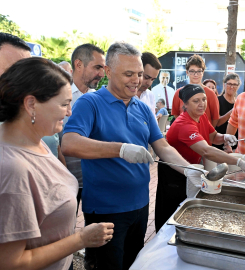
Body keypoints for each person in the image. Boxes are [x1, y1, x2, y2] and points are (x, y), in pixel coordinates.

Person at [61, 42, 204, 270]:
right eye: (128, 74)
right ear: (108, 71)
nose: (136, 80)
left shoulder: (142, 107)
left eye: (138, 74)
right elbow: (69, 143)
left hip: (139, 206)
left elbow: (163, 147)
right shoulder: (91, 103)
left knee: (133, 264)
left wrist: (189, 169)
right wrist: (120, 149)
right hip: (106, 210)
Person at [0, 57, 114, 270]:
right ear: (31, 104)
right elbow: (11, 262)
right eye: (64, 104)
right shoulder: (12, 168)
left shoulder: (37, 141)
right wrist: (81, 239)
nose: (69, 112)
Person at [155, 84, 245, 232]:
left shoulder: (201, 116)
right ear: (185, 104)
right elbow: (206, 150)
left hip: (192, 168)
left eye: (203, 99)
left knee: (188, 206)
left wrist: (224, 137)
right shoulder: (183, 124)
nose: (202, 104)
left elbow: (213, 137)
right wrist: (239, 162)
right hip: (174, 172)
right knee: (172, 212)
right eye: (196, 101)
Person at [61, 43, 106, 222]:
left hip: (94, 180)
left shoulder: (99, 98)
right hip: (65, 180)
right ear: (78, 65)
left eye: (103, 68)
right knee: (63, 230)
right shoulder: (57, 95)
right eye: (97, 67)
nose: (102, 74)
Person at [171, 55, 220, 127]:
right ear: (187, 72)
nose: (196, 74)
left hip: (204, 136)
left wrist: (208, 133)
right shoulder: (179, 93)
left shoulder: (210, 94)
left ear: (203, 72)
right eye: (192, 71)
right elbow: (176, 115)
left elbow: (215, 118)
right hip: (185, 135)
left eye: (199, 71)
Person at [214, 73, 240, 150]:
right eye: (229, 84)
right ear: (224, 85)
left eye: (235, 84)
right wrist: (232, 111)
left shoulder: (239, 102)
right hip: (218, 145)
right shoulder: (217, 100)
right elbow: (217, 123)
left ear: (238, 86)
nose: (232, 87)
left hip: (234, 145)